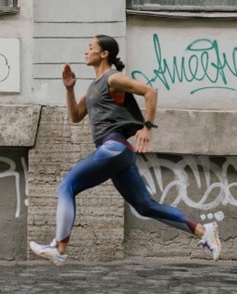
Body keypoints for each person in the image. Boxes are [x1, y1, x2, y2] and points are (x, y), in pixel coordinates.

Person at [30, 35, 221, 265]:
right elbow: (75, 116)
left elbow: (151, 92)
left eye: (91, 48)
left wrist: (147, 128)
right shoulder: (93, 87)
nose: (86, 51)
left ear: (104, 54)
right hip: (117, 153)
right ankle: (204, 231)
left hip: (113, 147)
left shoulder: (113, 79)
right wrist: (69, 89)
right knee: (145, 205)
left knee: (66, 186)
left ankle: (60, 248)